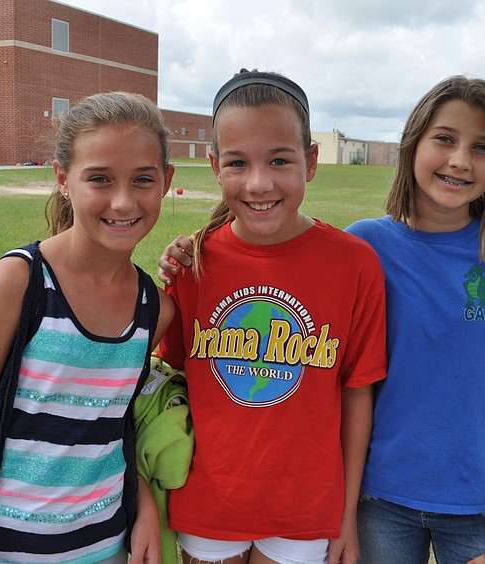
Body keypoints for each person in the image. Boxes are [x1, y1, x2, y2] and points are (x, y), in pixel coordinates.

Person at [160, 75, 485, 564]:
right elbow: (272, 258)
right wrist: (191, 251)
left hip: (477, 506)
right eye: (444, 138)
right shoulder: (370, 245)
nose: (459, 159)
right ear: (413, 145)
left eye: (483, 146)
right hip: (376, 501)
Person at [0, 91, 176, 564]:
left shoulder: (155, 309)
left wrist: (142, 500)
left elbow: (106, 425)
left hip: (103, 548)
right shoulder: (17, 284)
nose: (123, 201)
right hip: (0, 551)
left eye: (142, 179)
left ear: (166, 181)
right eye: (99, 179)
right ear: (64, 179)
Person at [156, 69, 387, 564]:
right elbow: (167, 371)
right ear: (215, 165)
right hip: (209, 502)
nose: (259, 183)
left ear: (312, 161)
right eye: (238, 163)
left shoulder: (355, 264)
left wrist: (345, 516)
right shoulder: (192, 263)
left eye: (280, 160)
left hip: (305, 507)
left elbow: (357, 393)